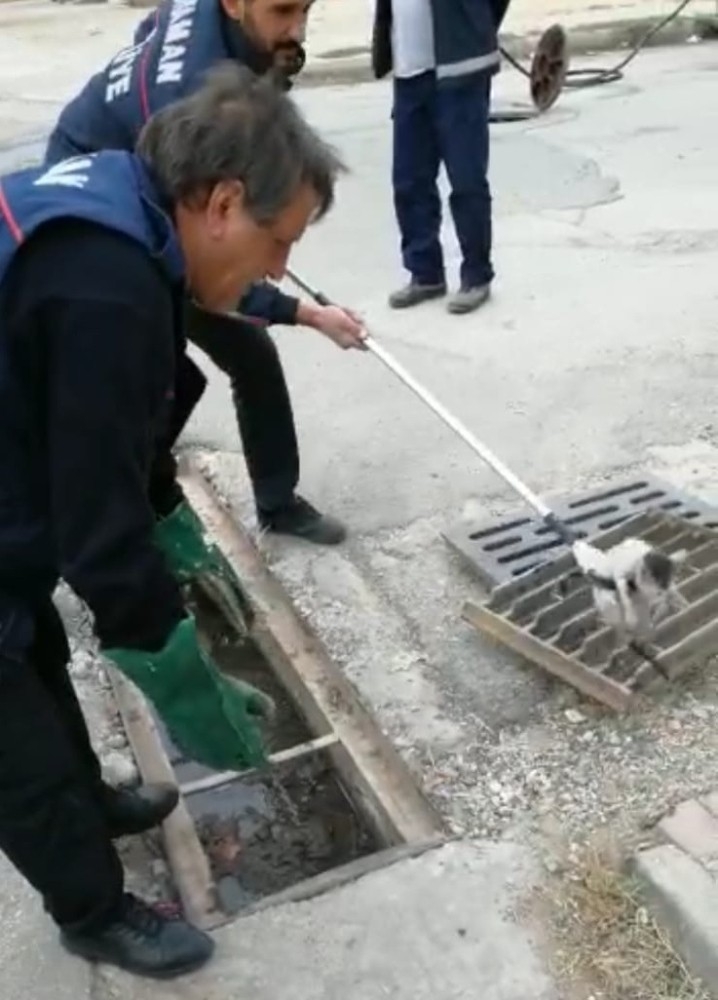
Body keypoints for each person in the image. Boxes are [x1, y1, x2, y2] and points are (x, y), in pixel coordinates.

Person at [0, 63, 345, 979]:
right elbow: (96, 520)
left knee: (31, 643)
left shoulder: (130, 216)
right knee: (13, 739)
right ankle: (93, 910)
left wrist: (168, 514)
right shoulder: (105, 281)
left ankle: (91, 801)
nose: (279, 268)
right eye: (280, 239)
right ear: (223, 203)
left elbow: (119, 428)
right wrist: (172, 663)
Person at [45, 0, 365, 547]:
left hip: (140, 190)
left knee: (231, 357)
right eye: (283, 10)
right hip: (100, 213)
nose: (298, 29)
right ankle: (130, 521)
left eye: (307, 8)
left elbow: (150, 30)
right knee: (153, 380)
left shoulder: (205, 19)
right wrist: (307, 314)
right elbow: (216, 274)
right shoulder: (193, 103)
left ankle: (260, 502)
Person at [372, 0, 509, 315]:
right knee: (409, 179)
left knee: (466, 178)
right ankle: (425, 273)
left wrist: (475, 26)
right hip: (409, 74)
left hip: (460, 69)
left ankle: (476, 275)